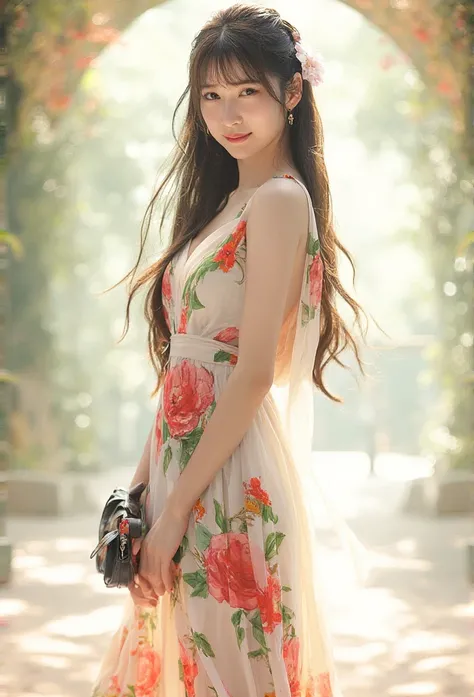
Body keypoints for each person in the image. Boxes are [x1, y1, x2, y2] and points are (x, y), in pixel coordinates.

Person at [91, 4, 369, 697]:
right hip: (184, 467)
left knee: (226, 669)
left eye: (247, 91)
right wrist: (142, 493)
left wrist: (178, 509)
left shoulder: (278, 201)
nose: (228, 114)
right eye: (211, 95)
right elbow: (182, 371)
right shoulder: (222, 206)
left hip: (229, 478)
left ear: (293, 93)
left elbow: (248, 376)